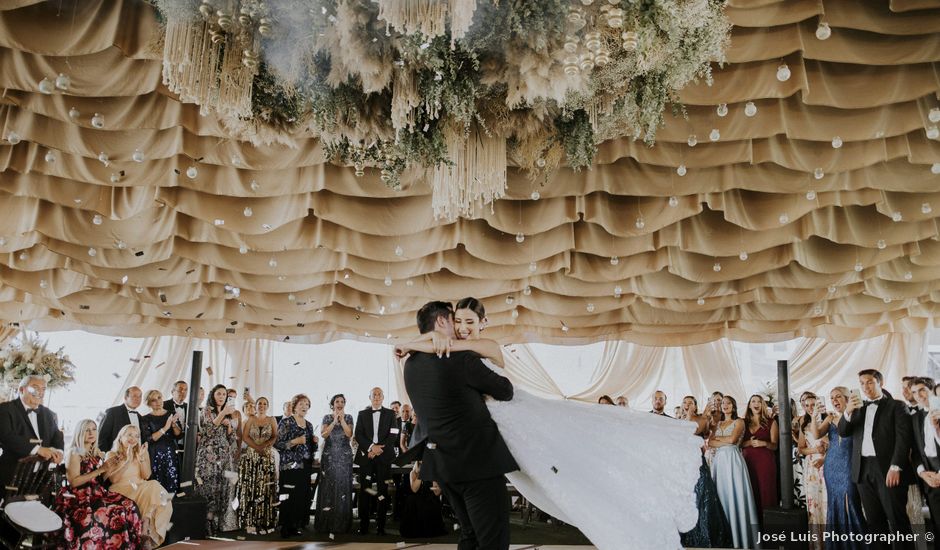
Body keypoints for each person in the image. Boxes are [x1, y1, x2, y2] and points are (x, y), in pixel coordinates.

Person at [399, 298, 702, 550]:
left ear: (481, 323)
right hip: (478, 460)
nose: (459, 328)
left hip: (446, 465)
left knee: (469, 534)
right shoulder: (459, 359)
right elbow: (504, 390)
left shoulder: (410, 364)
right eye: (454, 321)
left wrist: (416, 341)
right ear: (442, 323)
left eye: (467, 322)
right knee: (492, 540)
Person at [838, 369, 913, 547]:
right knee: (874, 521)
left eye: (870, 382)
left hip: (888, 469)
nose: (865, 387)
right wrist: (848, 411)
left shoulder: (897, 406)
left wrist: (896, 466)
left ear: (881, 382)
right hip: (863, 470)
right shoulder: (856, 408)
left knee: (897, 521)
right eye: (862, 383)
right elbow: (843, 431)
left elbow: (904, 439)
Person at [55, 419, 143, 549]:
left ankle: (129, 546)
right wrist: (101, 470)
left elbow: (102, 478)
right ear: (80, 432)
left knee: (130, 505)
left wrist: (111, 467)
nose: (91, 433)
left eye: (94, 429)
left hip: (97, 492)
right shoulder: (75, 452)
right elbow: (74, 482)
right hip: (78, 496)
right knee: (112, 510)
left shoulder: (96, 453)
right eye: (87, 430)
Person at [812, 386, 866, 549]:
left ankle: (858, 544)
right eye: (832, 398)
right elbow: (816, 435)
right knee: (834, 503)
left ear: (847, 398)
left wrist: (841, 417)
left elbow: (847, 431)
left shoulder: (857, 414)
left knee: (851, 501)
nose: (834, 400)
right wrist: (814, 417)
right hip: (832, 465)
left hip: (850, 464)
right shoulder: (830, 417)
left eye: (838, 397)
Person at [105, 424, 173, 548]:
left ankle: (146, 529)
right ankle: (144, 530)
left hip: (140, 487)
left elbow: (146, 475)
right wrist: (127, 460)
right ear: (121, 437)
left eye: (136, 436)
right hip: (121, 489)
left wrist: (142, 458)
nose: (133, 438)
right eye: (129, 435)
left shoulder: (141, 452)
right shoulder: (111, 454)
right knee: (153, 486)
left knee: (165, 500)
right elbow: (113, 479)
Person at [678, 395, 733, 549]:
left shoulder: (701, 420)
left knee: (702, 496)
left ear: (695, 406)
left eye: (691, 402)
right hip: (682, 463)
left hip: (696, 463)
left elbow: (693, 434)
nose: (687, 404)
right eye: (685, 402)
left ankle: (706, 535)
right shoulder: (677, 421)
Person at [708, 395, 759, 549]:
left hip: (733, 460)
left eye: (728, 403)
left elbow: (732, 440)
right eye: (723, 403)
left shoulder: (739, 421)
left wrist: (719, 441)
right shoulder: (718, 423)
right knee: (720, 495)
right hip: (718, 462)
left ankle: (740, 539)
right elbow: (709, 442)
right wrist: (721, 440)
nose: (725, 405)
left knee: (735, 494)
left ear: (733, 406)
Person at [0, 375, 65, 487]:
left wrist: (59, 451)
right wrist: (38, 449)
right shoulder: (6, 409)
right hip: (11, 475)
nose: (40, 392)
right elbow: (6, 437)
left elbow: (57, 435)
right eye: (35, 387)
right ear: (21, 389)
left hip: (40, 478)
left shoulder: (48, 413)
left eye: (43, 389)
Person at [194, 384, 239, 534]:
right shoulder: (206, 411)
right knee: (208, 488)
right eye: (219, 394)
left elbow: (232, 438)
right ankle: (206, 524)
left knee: (223, 488)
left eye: (224, 395)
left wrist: (229, 427)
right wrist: (222, 416)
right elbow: (207, 432)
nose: (221, 397)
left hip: (225, 455)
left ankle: (220, 522)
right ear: (213, 396)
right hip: (208, 455)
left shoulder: (229, 413)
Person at [353, 387, 398, 535]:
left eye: (379, 394)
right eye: (374, 395)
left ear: (383, 397)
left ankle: (381, 526)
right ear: (370, 397)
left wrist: (379, 450)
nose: (377, 397)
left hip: (384, 458)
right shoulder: (362, 414)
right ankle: (364, 525)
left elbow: (394, 434)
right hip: (367, 457)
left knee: (382, 491)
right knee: (365, 490)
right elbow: (358, 434)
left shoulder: (391, 413)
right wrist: (371, 448)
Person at [275, 393, 318, 538]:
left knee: (300, 496)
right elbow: (278, 444)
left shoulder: (310, 425)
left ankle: (294, 525)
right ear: (294, 406)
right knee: (287, 496)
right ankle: (285, 527)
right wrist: (294, 441)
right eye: (301, 404)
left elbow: (311, 448)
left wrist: (315, 442)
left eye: (306, 404)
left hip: (304, 466)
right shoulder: (286, 422)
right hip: (289, 465)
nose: (304, 406)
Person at [237, 396, 278, 534]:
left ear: (267, 406)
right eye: (259, 403)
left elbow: (274, 436)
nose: (262, 405)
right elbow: (245, 436)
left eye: (264, 403)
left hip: (266, 457)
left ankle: (265, 521)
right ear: (256, 405)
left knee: (265, 488)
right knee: (252, 487)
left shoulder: (272, 419)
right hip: (251, 456)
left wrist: (265, 446)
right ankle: (251, 521)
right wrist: (256, 447)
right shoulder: (251, 419)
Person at [315, 393, 355, 535]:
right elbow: (324, 434)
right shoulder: (327, 417)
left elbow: (349, 434)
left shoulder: (349, 417)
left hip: (344, 456)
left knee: (343, 486)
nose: (339, 403)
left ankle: (342, 524)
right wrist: (333, 421)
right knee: (328, 486)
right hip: (329, 456)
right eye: (337, 401)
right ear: (333, 404)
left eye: (342, 401)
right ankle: (326, 523)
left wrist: (342, 420)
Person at [909, 378, 940, 549]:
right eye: (914, 392)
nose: (919, 395)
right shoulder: (916, 418)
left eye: (922, 390)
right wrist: (922, 473)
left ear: (931, 390)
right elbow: (915, 452)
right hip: (929, 479)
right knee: (936, 525)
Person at [798, 392, 828, 550]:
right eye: (807, 405)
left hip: (828, 464)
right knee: (814, 505)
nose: (810, 408)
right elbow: (800, 449)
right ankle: (818, 545)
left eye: (813, 405)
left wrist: (825, 454)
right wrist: (814, 450)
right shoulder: (804, 423)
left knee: (827, 503)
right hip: (812, 467)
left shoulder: (828, 419)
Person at [741, 394, 778, 517]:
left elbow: (775, 446)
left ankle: (769, 526)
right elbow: (737, 443)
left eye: (759, 401)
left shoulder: (771, 422)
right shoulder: (743, 423)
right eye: (753, 401)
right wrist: (749, 442)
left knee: (766, 492)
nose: (756, 404)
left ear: (763, 405)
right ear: (749, 405)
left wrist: (764, 443)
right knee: (751, 492)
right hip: (747, 462)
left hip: (765, 463)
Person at [140, 389, 182, 494]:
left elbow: (179, 434)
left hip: (171, 452)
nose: (158, 401)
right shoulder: (145, 418)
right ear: (149, 403)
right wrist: (166, 427)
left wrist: (173, 425)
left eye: (159, 397)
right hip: (154, 454)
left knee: (173, 480)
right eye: (154, 400)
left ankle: (173, 506)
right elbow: (149, 439)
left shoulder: (171, 413)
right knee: (157, 483)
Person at [399, 461, 447, 538]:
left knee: (429, 502)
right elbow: (414, 489)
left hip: (430, 497)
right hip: (417, 497)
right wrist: (421, 475)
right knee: (412, 500)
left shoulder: (434, 473)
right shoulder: (413, 473)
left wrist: (434, 481)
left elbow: (437, 493)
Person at [99, 386, 143, 452]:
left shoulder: (140, 417)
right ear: (125, 397)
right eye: (134, 396)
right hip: (115, 456)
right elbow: (102, 437)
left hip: (135, 458)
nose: (138, 399)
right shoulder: (112, 412)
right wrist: (105, 457)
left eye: (140, 396)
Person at [163, 380, 188, 452]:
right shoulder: (164, 405)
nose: (183, 392)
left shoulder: (190, 407)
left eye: (185, 390)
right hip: (168, 445)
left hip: (186, 446)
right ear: (172, 392)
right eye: (180, 389)